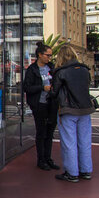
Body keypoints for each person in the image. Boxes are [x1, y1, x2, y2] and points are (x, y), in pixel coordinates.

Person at [50, 45, 95, 183]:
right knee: (85, 141)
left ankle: (72, 173)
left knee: (69, 142)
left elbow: (54, 92)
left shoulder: (61, 72)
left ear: (61, 57)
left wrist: (48, 93)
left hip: (68, 110)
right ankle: (86, 170)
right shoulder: (85, 70)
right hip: (85, 110)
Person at [23, 42, 60, 171]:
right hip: (39, 104)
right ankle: (41, 159)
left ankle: (48, 158)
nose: (49, 58)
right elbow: (26, 87)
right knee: (41, 132)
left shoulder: (52, 68)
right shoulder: (32, 70)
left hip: (51, 104)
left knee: (49, 133)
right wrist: (42, 88)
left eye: (50, 56)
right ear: (40, 55)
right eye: (47, 55)